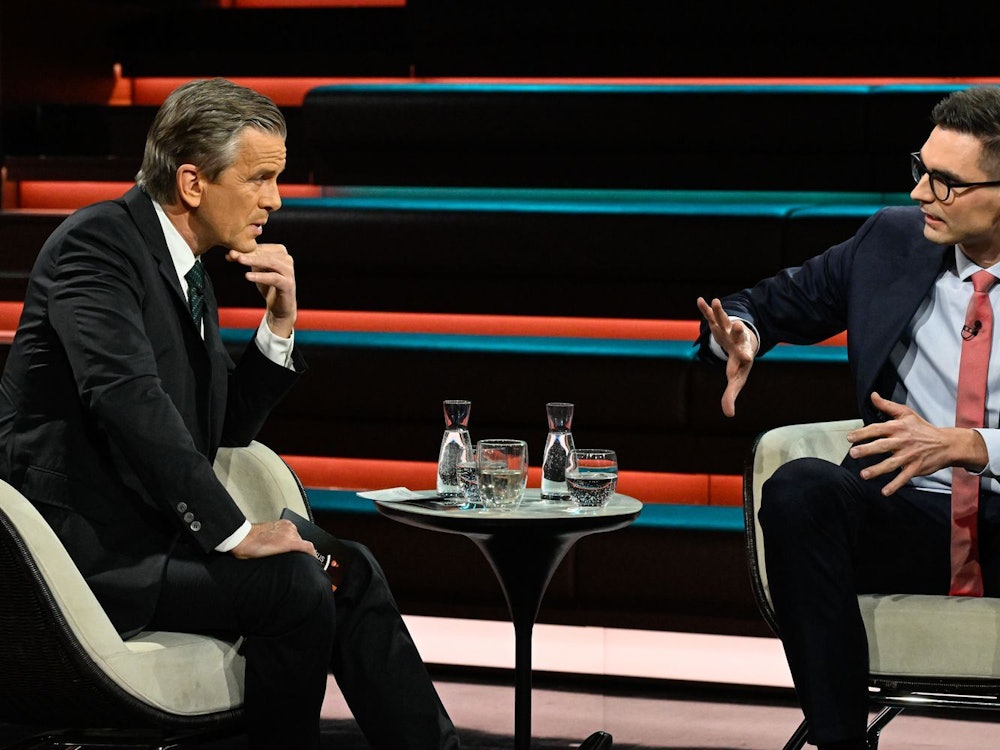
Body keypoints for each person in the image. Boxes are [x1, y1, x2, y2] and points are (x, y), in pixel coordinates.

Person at [0, 77, 460, 750]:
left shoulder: (188, 272)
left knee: (345, 572)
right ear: (192, 182)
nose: (275, 199)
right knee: (298, 584)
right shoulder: (96, 247)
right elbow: (128, 401)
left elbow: (224, 431)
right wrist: (234, 531)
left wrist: (279, 325)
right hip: (94, 558)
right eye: (259, 179)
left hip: (167, 542)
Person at [696, 85, 1000, 750]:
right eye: (921, 170)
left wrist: (971, 445)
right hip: (911, 515)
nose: (922, 195)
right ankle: (840, 743)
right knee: (802, 490)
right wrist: (740, 333)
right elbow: (766, 303)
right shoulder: (892, 241)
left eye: (947, 183)